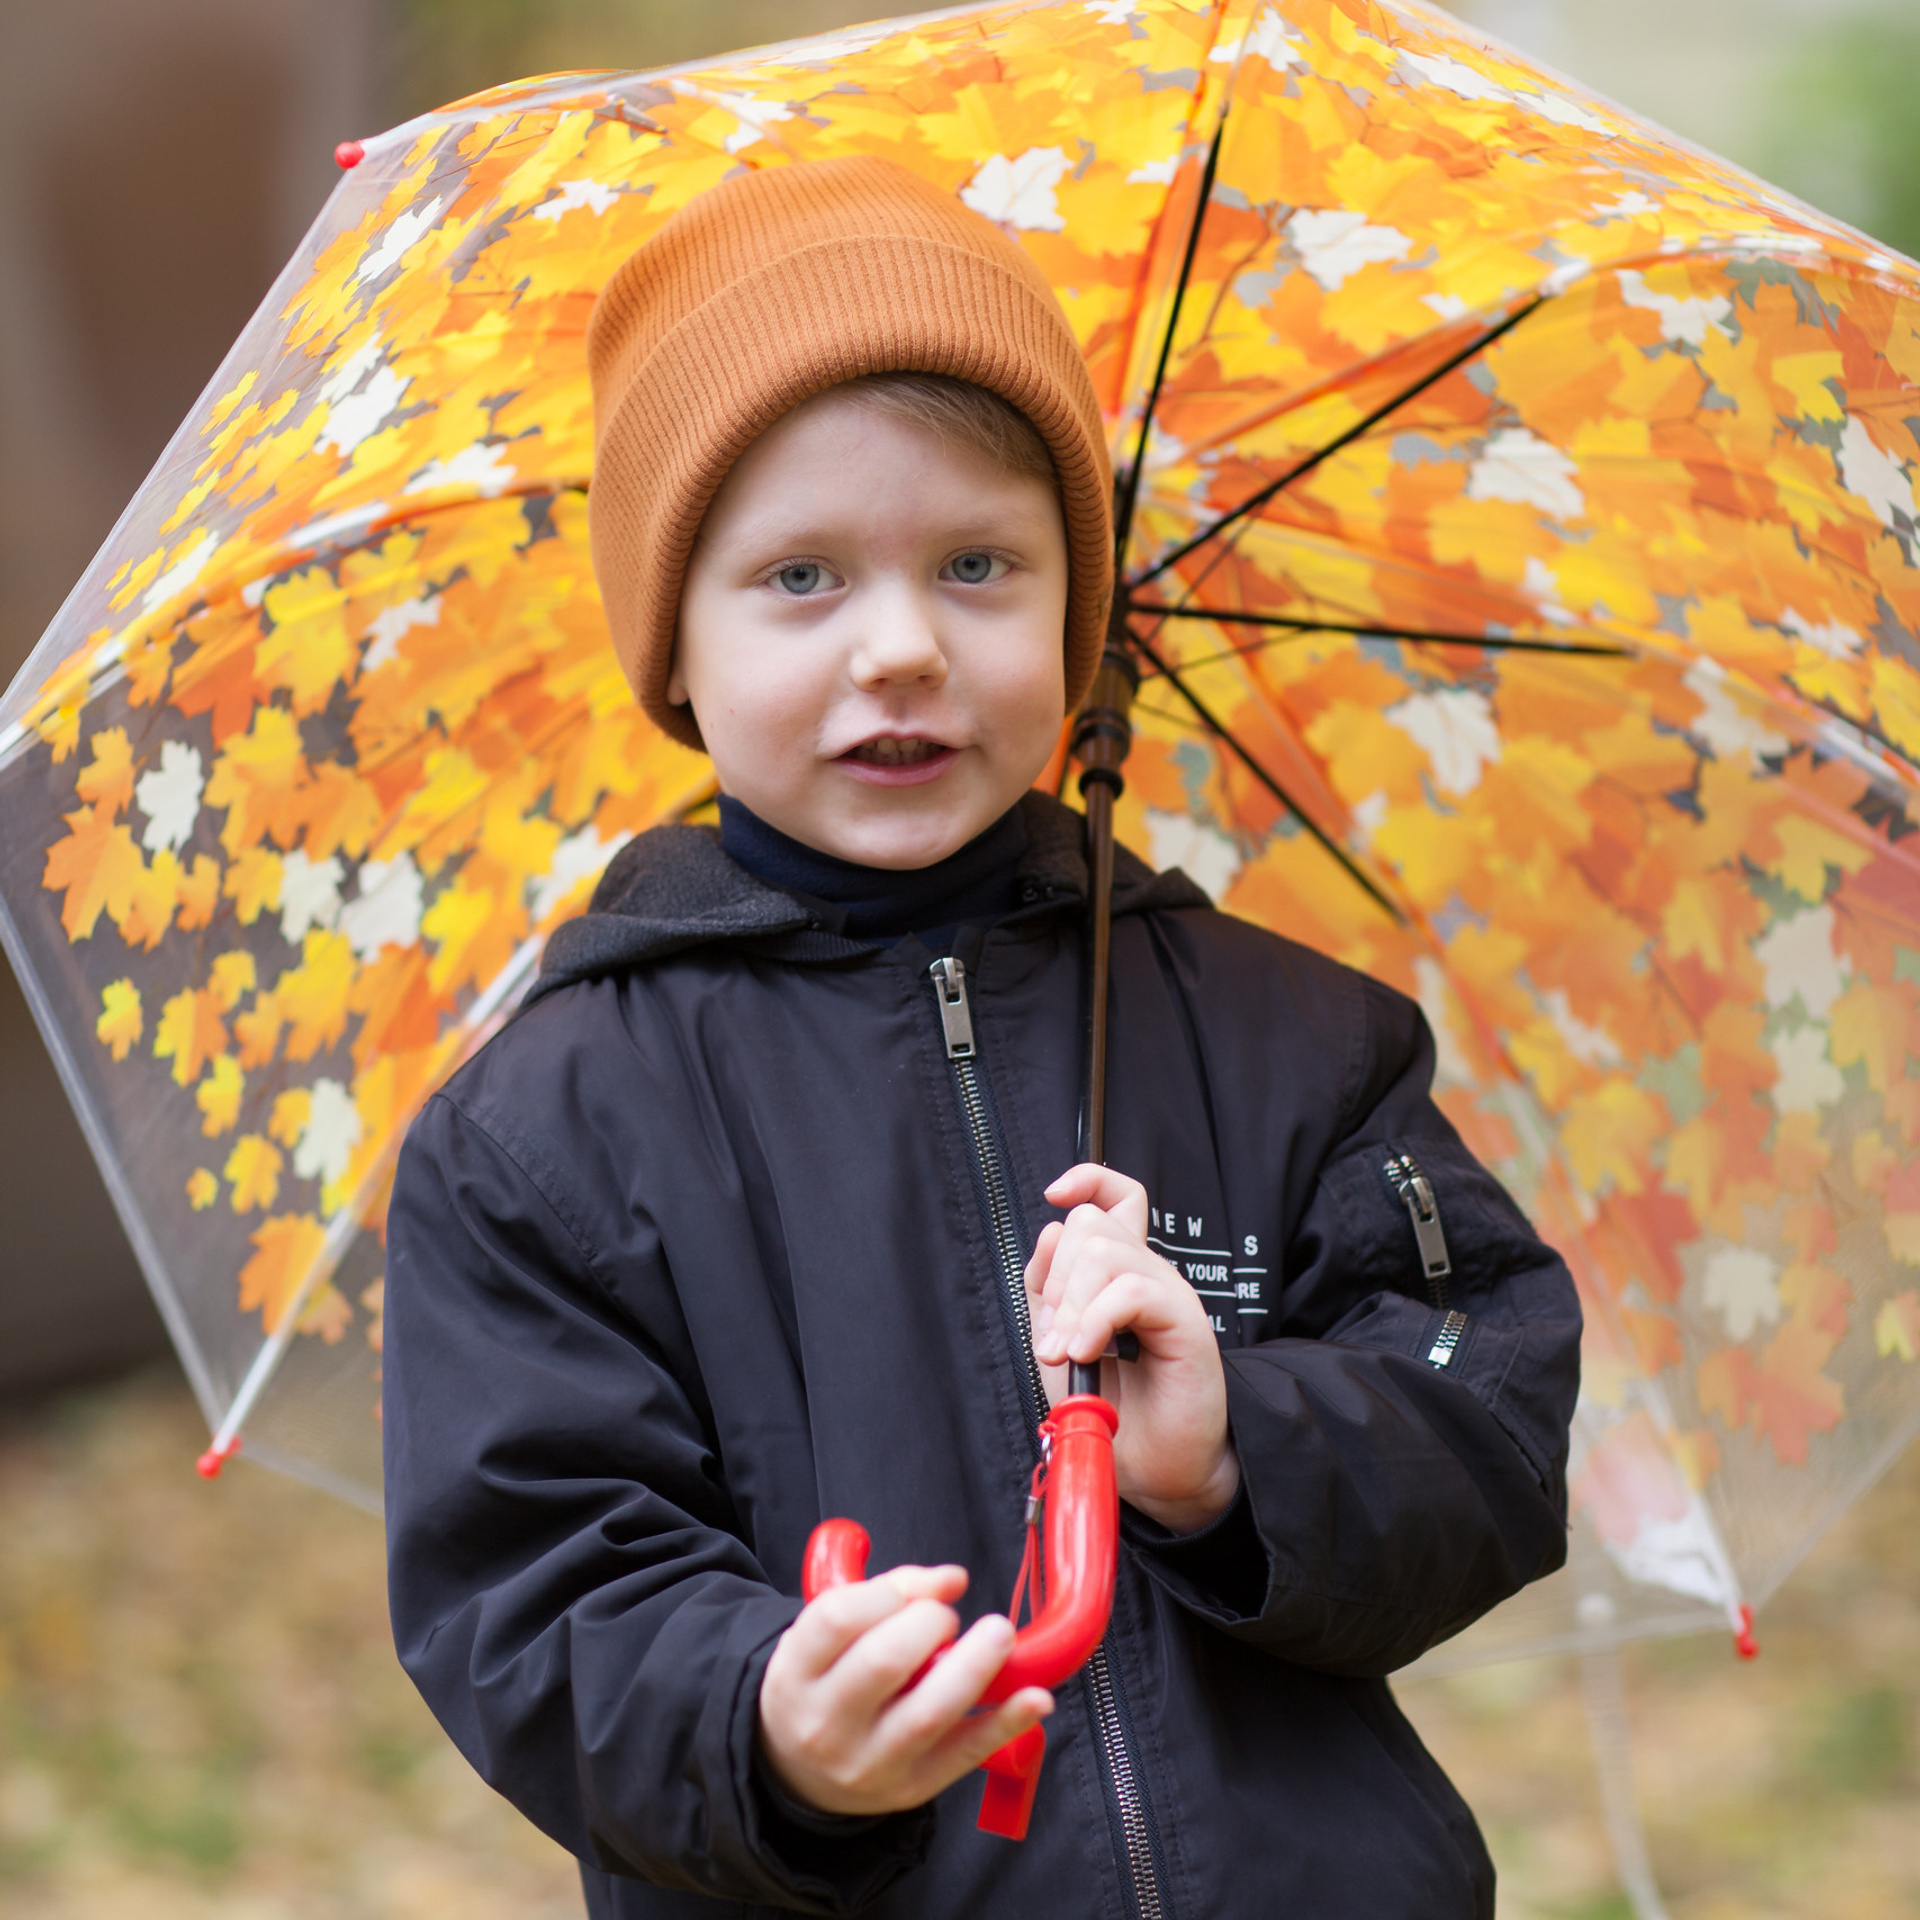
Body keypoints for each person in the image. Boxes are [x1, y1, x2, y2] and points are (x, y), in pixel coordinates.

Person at [382, 155, 1582, 1920]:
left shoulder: (1290, 1040)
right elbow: (536, 1578)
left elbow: (1486, 1396)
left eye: (977, 564)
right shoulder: (552, 1131)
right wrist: (763, 1721)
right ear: (676, 647)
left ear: (1075, 615)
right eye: (800, 576)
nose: (901, 647)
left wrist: (1233, 1444)